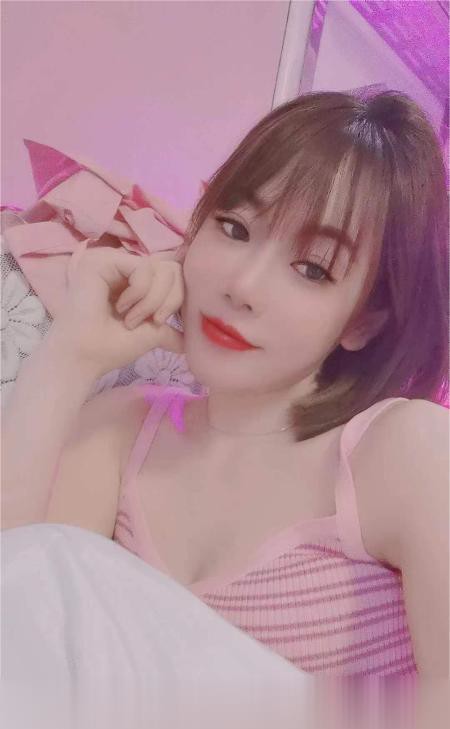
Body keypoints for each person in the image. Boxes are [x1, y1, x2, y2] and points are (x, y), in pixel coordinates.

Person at [2, 90, 449, 677]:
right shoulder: (125, 427)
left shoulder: (405, 449)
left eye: (312, 268)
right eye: (234, 227)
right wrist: (69, 356)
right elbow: (15, 623)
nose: (244, 286)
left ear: (364, 321)